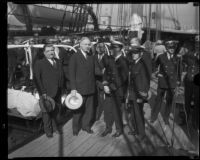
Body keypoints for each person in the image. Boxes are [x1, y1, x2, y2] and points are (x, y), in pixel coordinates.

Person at [34, 44, 64, 138]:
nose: (51, 52)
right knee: (46, 113)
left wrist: (64, 89)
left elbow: (62, 76)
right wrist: (42, 93)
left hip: (58, 91)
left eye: (52, 50)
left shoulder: (58, 61)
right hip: (47, 93)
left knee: (57, 111)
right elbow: (37, 79)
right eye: (48, 51)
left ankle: (55, 128)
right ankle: (48, 131)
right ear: (44, 53)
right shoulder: (39, 63)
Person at [69, 37, 96, 136]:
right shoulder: (74, 57)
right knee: (78, 110)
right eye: (85, 44)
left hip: (90, 88)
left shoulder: (91, 56)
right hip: (79, 89)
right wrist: (73, 88)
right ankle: (75, 128)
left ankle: (86, 126)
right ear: (80, 45)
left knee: (89, 110)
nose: (88, 46)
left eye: (89, 44)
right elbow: (71, 74)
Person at [100, 40, 128, 138]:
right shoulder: (110, 59)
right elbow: (105, 73)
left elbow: (123, 78)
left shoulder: (124, 61)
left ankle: (119, 130)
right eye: (112, 48)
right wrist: (105, 85)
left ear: (120, 49)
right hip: (109, 89)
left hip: (118, 90)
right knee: (107, 110)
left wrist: (110, 87)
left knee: (117, 111)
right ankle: (108, 128)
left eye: (115, 48)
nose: (112, 50)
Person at [150, 40, 180, 125]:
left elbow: (179, 71)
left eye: (173, 47)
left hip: (172, 83)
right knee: (158, 100)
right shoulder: (161, 57)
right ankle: (153, 117)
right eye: (170, 47)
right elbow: (155, 65)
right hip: (162, 81)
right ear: (166, 48)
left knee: (169, 102)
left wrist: (179, 82)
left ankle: (166, 118)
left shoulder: (177, 58)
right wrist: (156, 72)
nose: (172, 49)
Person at [126, 44, 152, 140]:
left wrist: (142, 95)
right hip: (132, 93)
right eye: (133, 53)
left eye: (136, 53)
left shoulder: (142, 64)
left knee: (138, 114)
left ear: (141, 53)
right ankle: (135, 130)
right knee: (133, 113)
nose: (134, 55)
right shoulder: (133, 63)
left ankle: (142, 133)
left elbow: (146, 80)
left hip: (139, 94)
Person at [182, 37, 199, 131]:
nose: (197, 45)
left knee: (197, 102)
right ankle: (186, 118)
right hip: (188, 80)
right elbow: (183, 60)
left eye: (199, 43)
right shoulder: (189, 53)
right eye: (196, 43)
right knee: (187, 101)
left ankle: (195, 122)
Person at [94, 38, 108, 121]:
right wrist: (101, 71)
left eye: (102, 47)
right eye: (98, 47)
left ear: (104, 48)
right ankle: (95, 115)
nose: (100, 48)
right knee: (95, 100)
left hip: (103, 82)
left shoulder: (108, 58)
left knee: (101, 100)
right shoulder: (93, 57)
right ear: (96, 48)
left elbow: (108, 71)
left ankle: (98, 115)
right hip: (94, 82)